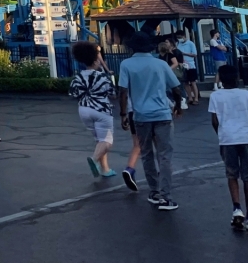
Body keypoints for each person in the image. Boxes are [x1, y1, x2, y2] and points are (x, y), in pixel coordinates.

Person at [118, 31, 184, 211]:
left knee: (146, 154)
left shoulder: (126, 64)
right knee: (165, 156)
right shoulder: (160, 64)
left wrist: (123, 114)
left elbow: (123, 91)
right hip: (162, 114)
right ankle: (166, 196)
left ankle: (154, 192)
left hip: (140, 116)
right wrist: (177, 106)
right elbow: (176, 88)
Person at [69, 41, 117, 178]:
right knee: (107, 141)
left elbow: (73, 94)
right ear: (96, 60)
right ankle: (94, 159)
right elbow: (113, 94)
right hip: (102, 110)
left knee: (100, 140)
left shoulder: (78, 77)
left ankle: (105, 169)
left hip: (84, 110)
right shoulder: (102, 77)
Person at [208, 65, 248, 230]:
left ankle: (237, 209)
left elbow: (214, 121)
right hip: (246, 137)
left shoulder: (216, 96)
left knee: (232, 174)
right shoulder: (246, 94)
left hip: (227, 139)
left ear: (221, 79)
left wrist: (221, 134)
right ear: (237, 77)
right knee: (247, 176)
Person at [176, 32, 200, 105]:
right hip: (182, 65)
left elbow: (195, 54)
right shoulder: (178, 44)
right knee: (185, 82)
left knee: (193, 82)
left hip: (190, 65)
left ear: (184, 36)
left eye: (180, 37)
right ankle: (189, 97)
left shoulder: (190, 44)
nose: (179, 39)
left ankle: (196, 98)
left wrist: (184, 53)